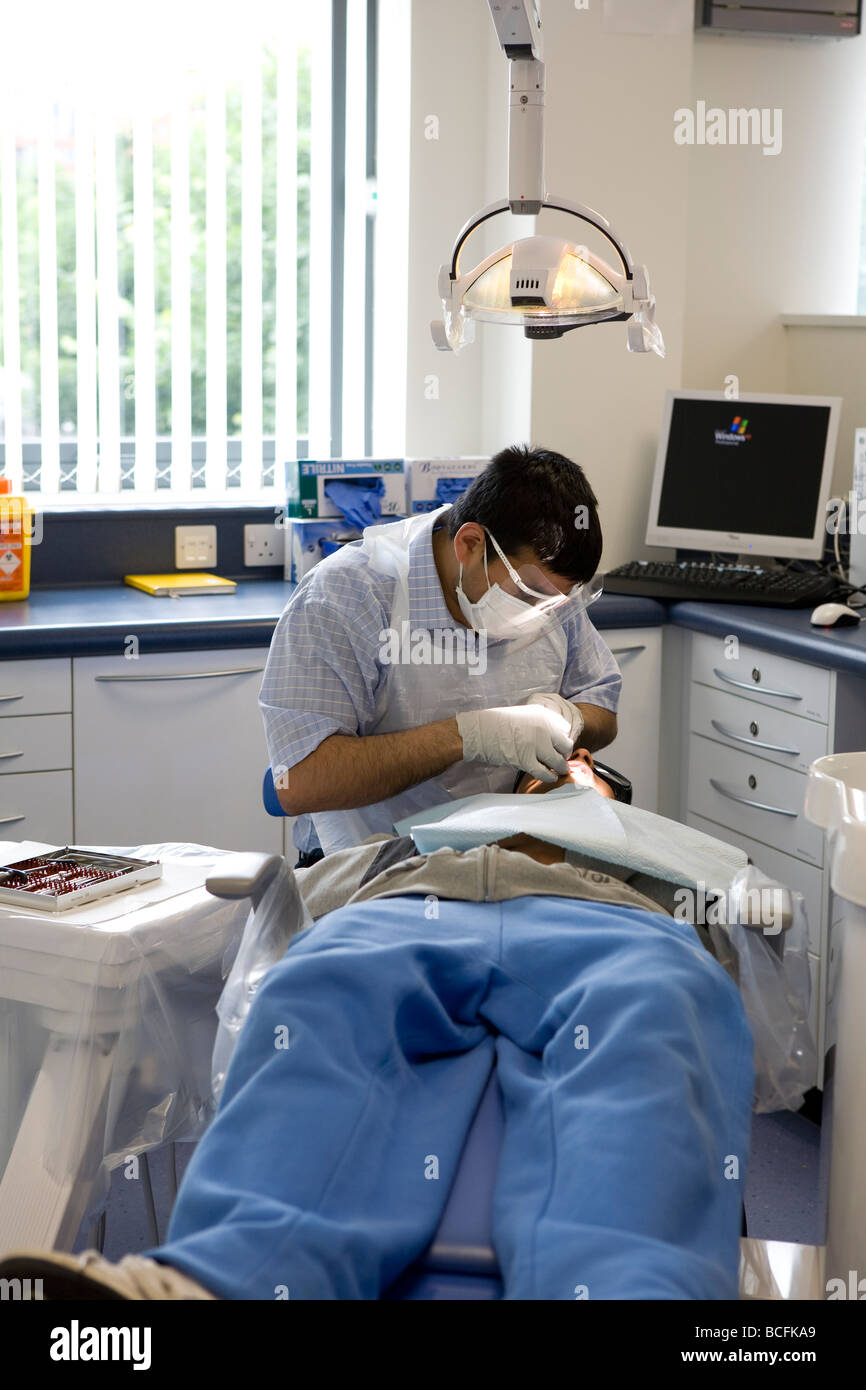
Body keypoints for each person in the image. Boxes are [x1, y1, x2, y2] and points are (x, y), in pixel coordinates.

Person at [0, 752, 754, 1301]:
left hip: (607, 921)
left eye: (584, 767)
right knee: (320, 995)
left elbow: (738, 929)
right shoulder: (423, 835)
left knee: (651, 1017)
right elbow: (303, 894)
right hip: (410, 906)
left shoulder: (655, 850)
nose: (566, 770)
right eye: (553, 766)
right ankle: (220, 1282)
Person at [259, 444, 622, 862]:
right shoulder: (346, 596)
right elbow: (300, 782)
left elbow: (601, 704)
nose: (540, 616)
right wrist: (470, 735)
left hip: (505, 857)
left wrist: (568, 719)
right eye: (528, 595)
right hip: (373, 866)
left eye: (556, 603)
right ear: (470, 543)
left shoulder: (550, 594)